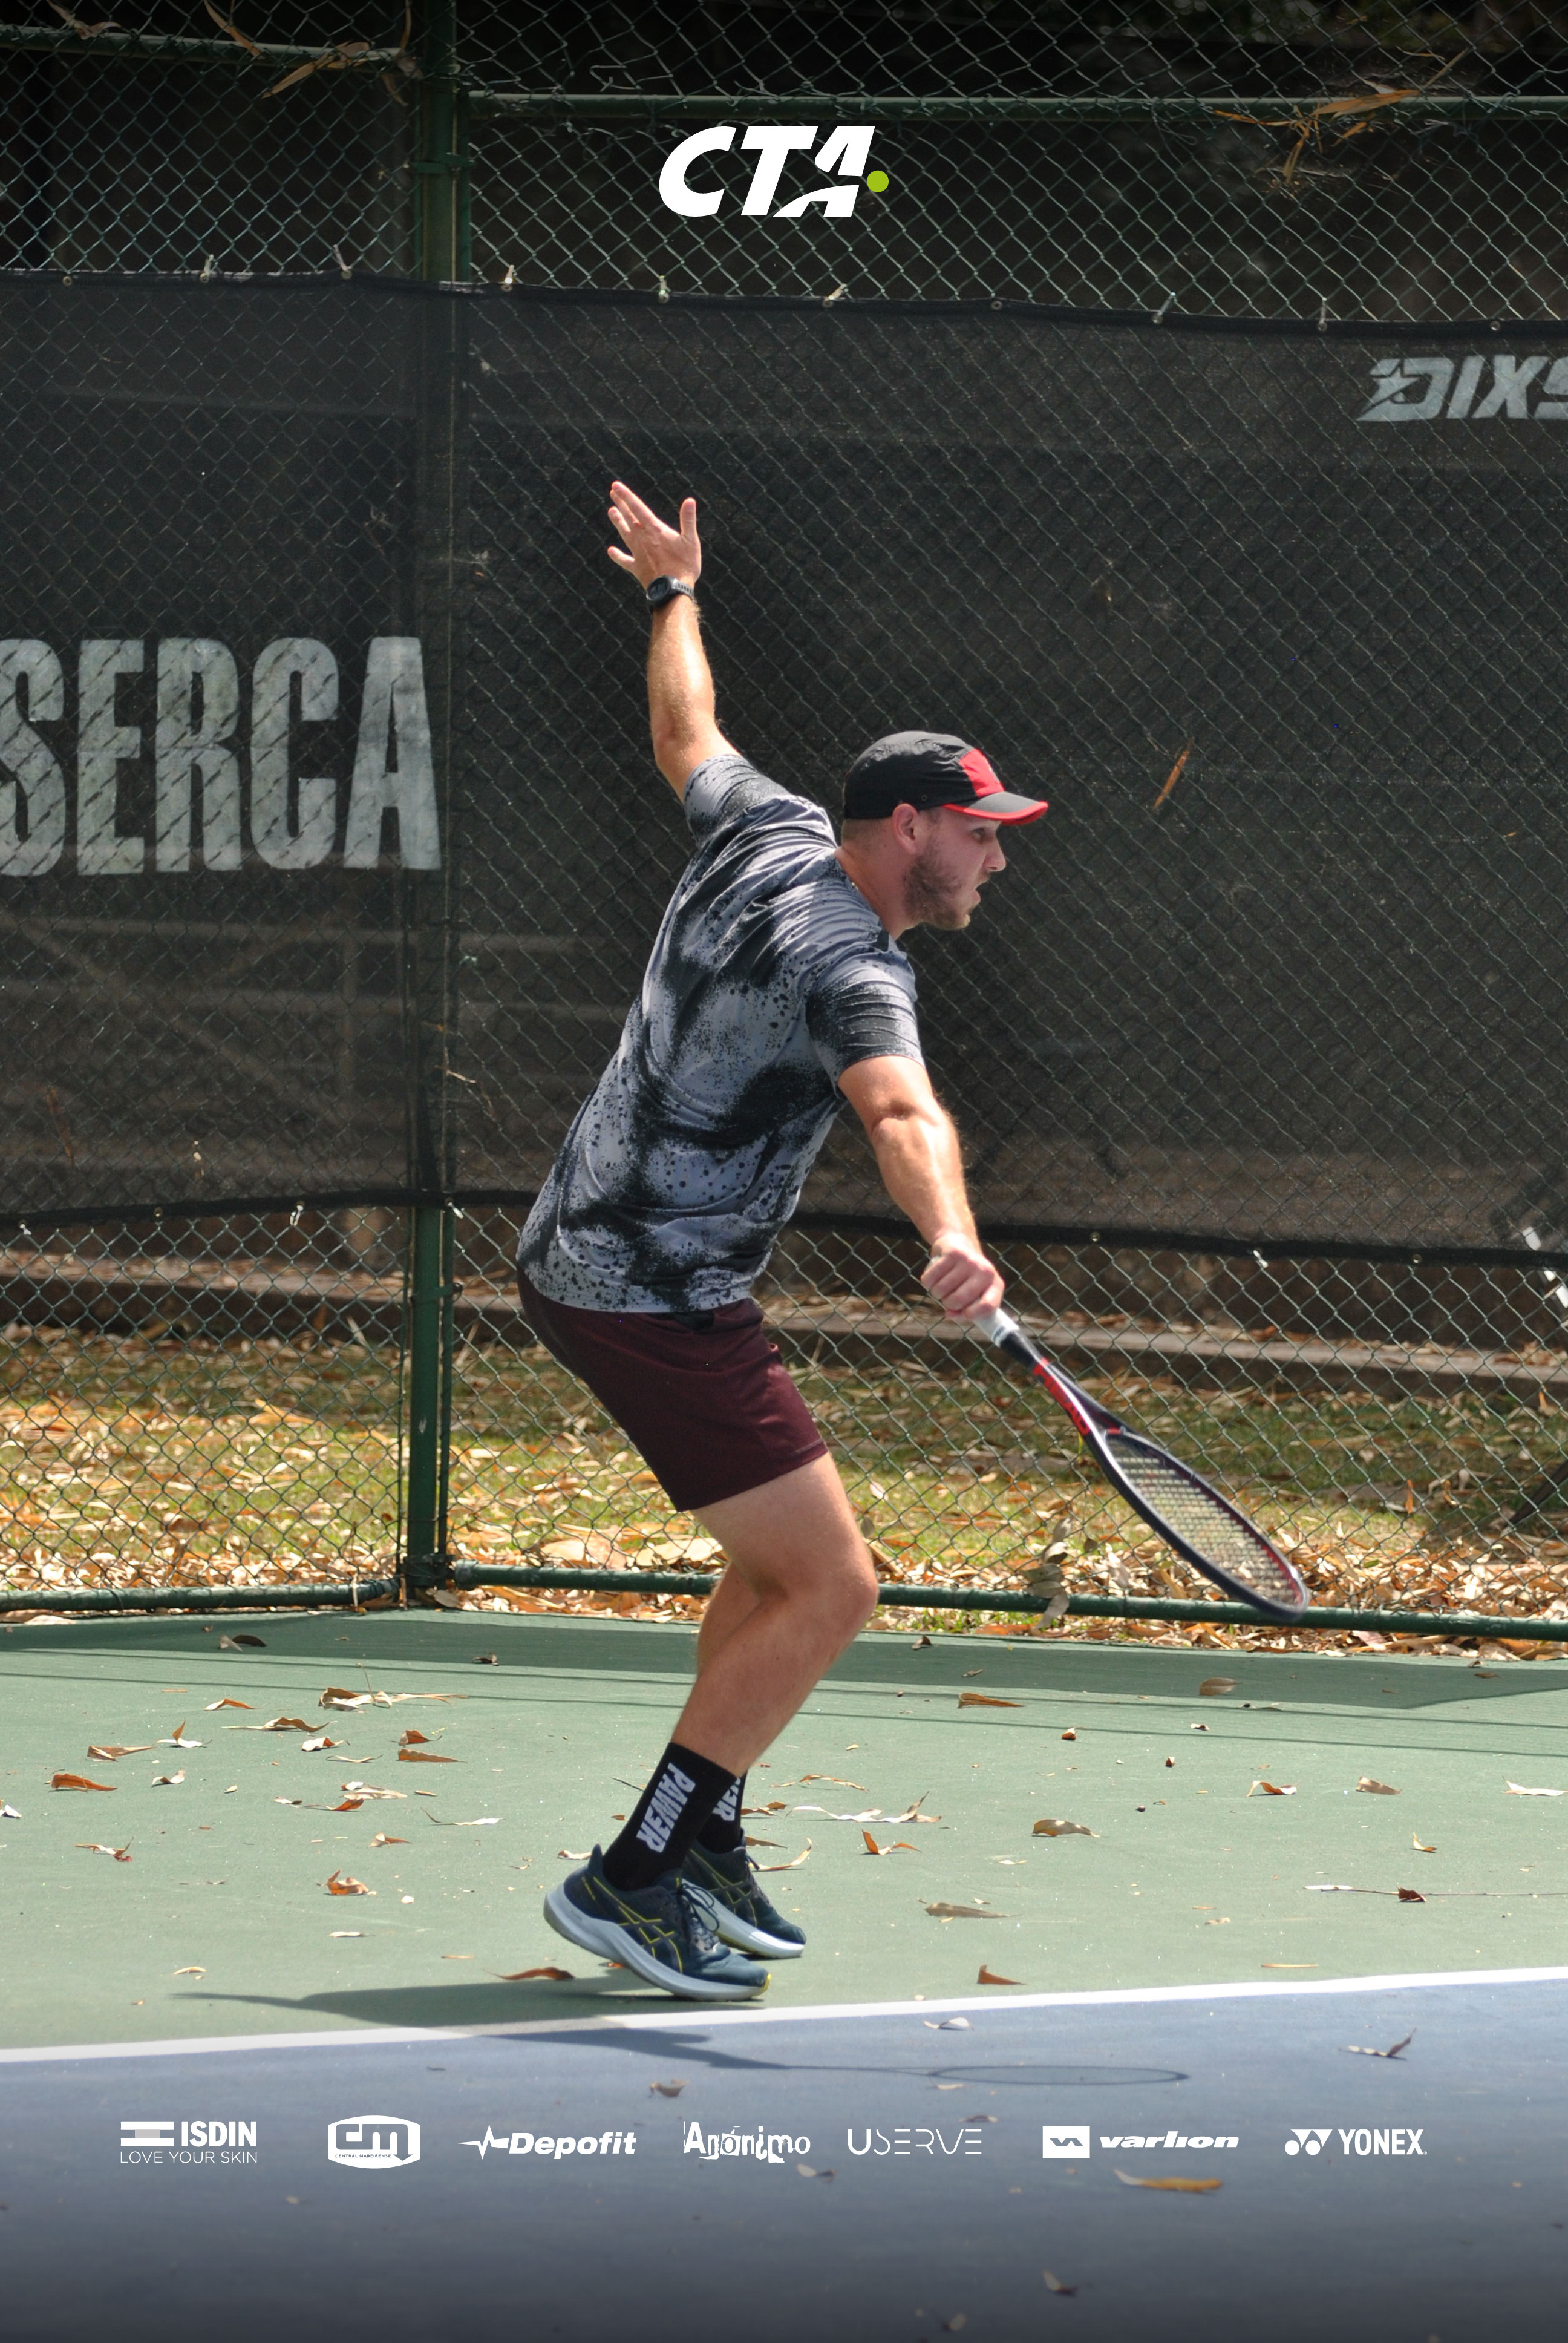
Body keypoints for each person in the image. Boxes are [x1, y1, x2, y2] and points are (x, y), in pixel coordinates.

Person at [521, 480, 1048, 2000]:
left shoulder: (764, 827)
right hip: (653, 1292)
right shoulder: (857, 967)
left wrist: (668, 593)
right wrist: (951, 1232)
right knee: (839, 1587)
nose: (994, 861)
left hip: (595, 1255)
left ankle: (707, 1830)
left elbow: (685, 731)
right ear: (908, 828)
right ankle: (632, 1875)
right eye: (977, 832)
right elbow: (900, 1114)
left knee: (772, 1577)